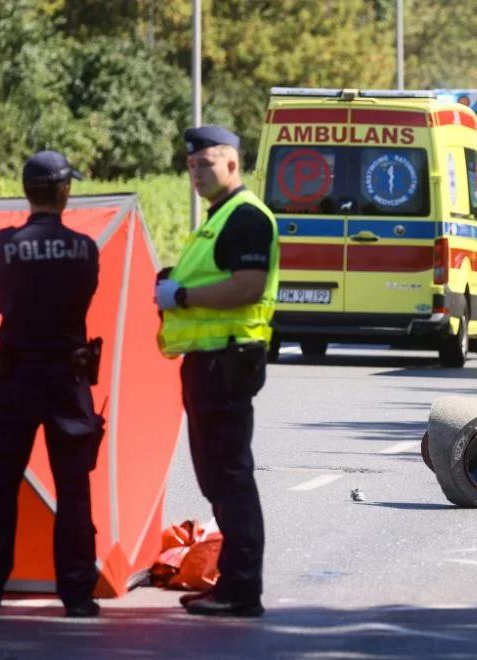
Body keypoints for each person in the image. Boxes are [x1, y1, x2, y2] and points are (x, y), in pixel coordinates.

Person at [0, 151, 103, 618]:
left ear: (27, 192)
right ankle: (78, 596)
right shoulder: (85, 248)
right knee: (74, 488)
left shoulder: (2, 244)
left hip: (14, 375)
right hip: (68, 377)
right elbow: (82, 298)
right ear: (65, 192)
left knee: (0, 484)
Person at [155, 125, 279, 617]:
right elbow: (215, 275)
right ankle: (233, 584)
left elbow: (247, 286)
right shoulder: (219, 217)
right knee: (218, 478)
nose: (196, 174)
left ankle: (241, 590)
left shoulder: (245, 216)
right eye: (190, 167)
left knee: (229, 478)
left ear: (232, 163)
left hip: (227, 360)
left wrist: (181, 295)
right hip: (210, 361)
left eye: (205, 164)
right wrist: (175, 280)